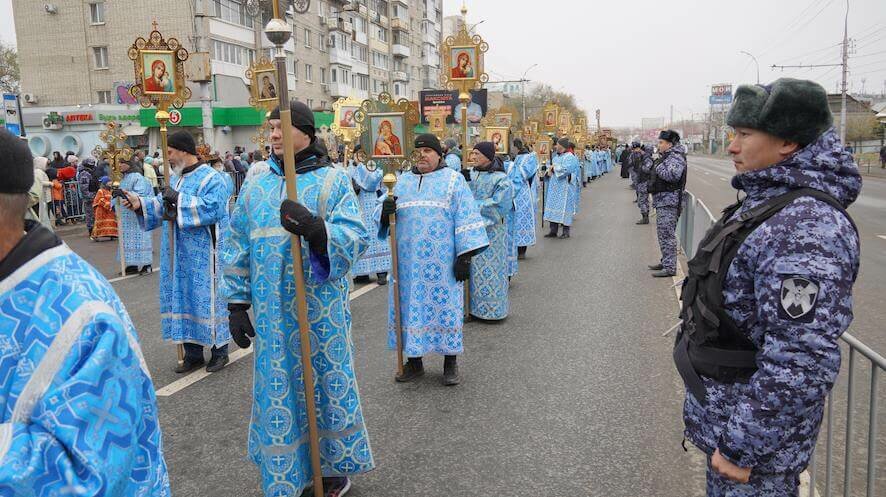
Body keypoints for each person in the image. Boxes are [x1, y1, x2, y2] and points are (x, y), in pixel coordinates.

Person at [674, 78, 861, 497]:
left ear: (788, 143)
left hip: (753, 457)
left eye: (743, 134)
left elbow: (801, 358)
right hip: (729, 429)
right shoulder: (772, 203)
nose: (732, 147)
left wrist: (743, 446)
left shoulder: (806, 225)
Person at [0, 128, 171, 497]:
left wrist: (159, 202)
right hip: (130, 224)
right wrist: (129, 199)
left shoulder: (85, 317)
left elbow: (90, 471)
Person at [221, 100, 374, 497]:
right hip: (273, 313)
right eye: (269, 128)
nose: (272, 135)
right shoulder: (255, 184)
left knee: (322, 381)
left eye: (280, 128)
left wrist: (316, 230)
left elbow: (356, 237)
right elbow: (236, 241)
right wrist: (236, 303)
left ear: (305, 132)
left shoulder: (331, 180)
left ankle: (332, 470)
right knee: (280, 386)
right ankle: (288, 469)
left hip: (319, 310)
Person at [377, 133, 489, 385]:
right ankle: (415, 363)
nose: (422, 156)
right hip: (406, 266)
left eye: (428, 150)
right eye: (418, 151)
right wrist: (385, 213)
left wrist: (465, 257)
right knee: (408, 309)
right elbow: (383, 219)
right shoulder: (400, 182)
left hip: (442, 264)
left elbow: (467, 218)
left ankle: (450, 362)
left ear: (439, 154)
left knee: (446, 308)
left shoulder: (453, 180)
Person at [120, 130, 232, 373]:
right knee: (183, 298)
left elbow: (213, 209)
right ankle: (193, 353)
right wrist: (139, 204)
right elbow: (164, 207)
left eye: (169, 153)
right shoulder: (178, 179)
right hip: (178, 253)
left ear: (183, 150)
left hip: (205, 255)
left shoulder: (212, 178)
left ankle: (219, 350)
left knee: (207, 299)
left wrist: (178, 199)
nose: (167, 158)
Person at [467, 142, 513, 321]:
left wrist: (471, 208)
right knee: (472, 268)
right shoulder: (471, 174)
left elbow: (501, 204)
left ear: (488, 155)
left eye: (477, 154)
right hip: (471, 230)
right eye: (473, 153)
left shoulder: (501, 179)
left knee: (490, 270)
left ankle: (492, 311)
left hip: (492, 232)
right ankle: (472, 308)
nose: (474, 157)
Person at [348, 144, 391, 285]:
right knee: (359, 236)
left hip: (373, 205)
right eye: (357, 154)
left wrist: (360, 166)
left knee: (377, 238)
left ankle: (381, 272)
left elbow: (372, 183)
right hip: (357, 206)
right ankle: (362, 272)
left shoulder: (374, 166)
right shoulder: (350, 168)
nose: (360, 157)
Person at [647, 130, 687, 277]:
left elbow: (672, 176)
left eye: (661, 142)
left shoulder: (676, 157)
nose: (659, 145)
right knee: (663, 234)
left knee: (667, 235)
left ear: (669, 144)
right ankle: (666, 262)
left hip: (670, 201)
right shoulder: (668, 156)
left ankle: (670, 267)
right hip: (664, 201)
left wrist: (657, 166)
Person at [116, 159, 153, 274]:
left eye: (122, 162)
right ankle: (132, 264)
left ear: (130, 164)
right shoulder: (123, 178)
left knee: (142, 238)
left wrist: (127, 197)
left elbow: (140, 193)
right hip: (126, 215)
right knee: (127, 240)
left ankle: (147, 264)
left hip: (137, 213)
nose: (120, 164)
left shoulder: (137, 177)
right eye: (119, 162)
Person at [543, 137, 581, 239]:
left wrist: (553, 168)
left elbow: (567, 169)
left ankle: (566, 231)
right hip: (554, 187)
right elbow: (550, 167)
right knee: (553, 207)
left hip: (565, 187)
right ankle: (553, 230)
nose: (556, 146)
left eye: (558, 145)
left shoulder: (570, 157)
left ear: (562, 146)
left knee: (565, 208)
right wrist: (547, 171)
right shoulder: (555, 157)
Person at [509, 138, 539, 258]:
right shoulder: (514, 158)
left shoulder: (529, 157)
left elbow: (524, 173)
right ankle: (513, 248)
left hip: (522, 193)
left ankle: (522, 250)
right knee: (513, 220)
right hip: (511, 191)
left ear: (516, 147)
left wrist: (510, 168)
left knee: (521, 219)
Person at [28, 156, 53, 230]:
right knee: (42, 216)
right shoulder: (38, 172)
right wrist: (49, 184)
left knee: (44, 215)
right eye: (46, 164)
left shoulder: (40, 172)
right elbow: (39, 182)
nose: (47, 166)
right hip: (40, 197)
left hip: (43, 197)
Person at [77, 157, 98, 236]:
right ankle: (91, 230)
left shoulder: (89, 172)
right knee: (90, 215)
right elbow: (84, 187)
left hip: (93, 195)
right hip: (89, 197)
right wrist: (90, 196)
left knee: (93, 214)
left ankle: (95, 230)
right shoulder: (84, 173)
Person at [635, 143, 653, 225]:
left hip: (644, 183)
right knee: (642, 201)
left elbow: (647, 169)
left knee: (642, 201)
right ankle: (645, 217)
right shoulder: (644, 158)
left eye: (642, 150)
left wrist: (641, 167)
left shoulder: (648, 159)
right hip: (642, 182)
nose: (641, 152)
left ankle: (645, 218)